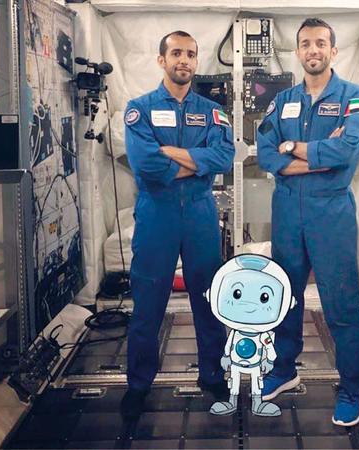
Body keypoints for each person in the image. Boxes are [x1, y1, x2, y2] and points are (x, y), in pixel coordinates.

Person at [256, 18, 359, 427]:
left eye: (321, 43)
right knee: (285, 298)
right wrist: (314, 156)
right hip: (288, 212)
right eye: (306, 43)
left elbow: (346, 153)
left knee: (341, 303)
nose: (313, 50)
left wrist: (292, 149)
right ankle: (284, 369)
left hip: (331, 213)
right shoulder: (282, 100)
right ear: (298, 52)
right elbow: (266, 154)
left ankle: (352, 388)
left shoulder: (354, 97)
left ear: (333, 51)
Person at [121, 30, 235, 418]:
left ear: (196, 61)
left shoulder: (213, 111)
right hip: (158, 212)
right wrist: (196, 161)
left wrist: (173, 153)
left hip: (200, 213)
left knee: (208, 298)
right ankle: (138, 384)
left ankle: (212, 374)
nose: (183, 60)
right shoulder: (140, 109)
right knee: (148, 301)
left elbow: (224, 157)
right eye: (176, 53)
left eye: (190, 54)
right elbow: (146, 165)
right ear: (162, 60)